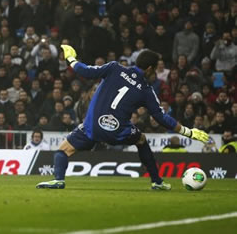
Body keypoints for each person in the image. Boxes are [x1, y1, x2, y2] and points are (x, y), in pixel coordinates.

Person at [37, 46, 209, 190]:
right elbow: (162, 118)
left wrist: (71, 58)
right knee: (141, 139)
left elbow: (85, 71)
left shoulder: (114, 68)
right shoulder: (147, 90)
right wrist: (189, 132)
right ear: (149, 69)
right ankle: (157, 182)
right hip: (118, 131)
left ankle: (59, 179)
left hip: (93, 127)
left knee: (62, 150)